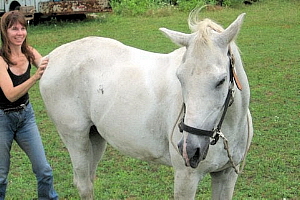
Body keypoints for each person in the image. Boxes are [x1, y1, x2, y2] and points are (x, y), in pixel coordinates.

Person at [0, 11, 58, 199]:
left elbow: (49, 69)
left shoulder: (29, 51)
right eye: (14, 28)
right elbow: (10, 94)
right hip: (2, 119)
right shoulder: (0, 59)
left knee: (45, 171)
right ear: (4, 31)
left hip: (26, 117)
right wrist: (35, 76)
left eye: (23, 28)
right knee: (0, 177)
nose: (20, 33)